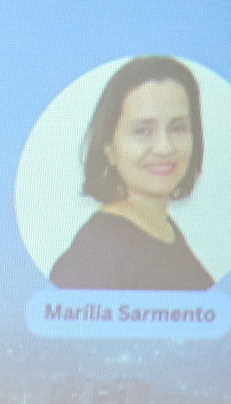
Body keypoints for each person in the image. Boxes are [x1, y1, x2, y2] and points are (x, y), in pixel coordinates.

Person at [50, 56, 212, 290]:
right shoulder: (97, 253)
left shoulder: (163, 228)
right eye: (143, 131)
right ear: (109, 147)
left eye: (178, 128)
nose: (165, 148)